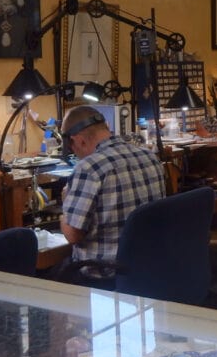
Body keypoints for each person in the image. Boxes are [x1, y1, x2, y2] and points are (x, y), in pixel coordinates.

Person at [58, 105, 166, 285]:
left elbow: (72, 235)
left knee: (49, 277)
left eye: (73, 149)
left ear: (80, 141)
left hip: (104, 274)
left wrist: (64, 208)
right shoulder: (149, 157)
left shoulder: (89, 168)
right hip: (148, 267)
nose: (75, 155)